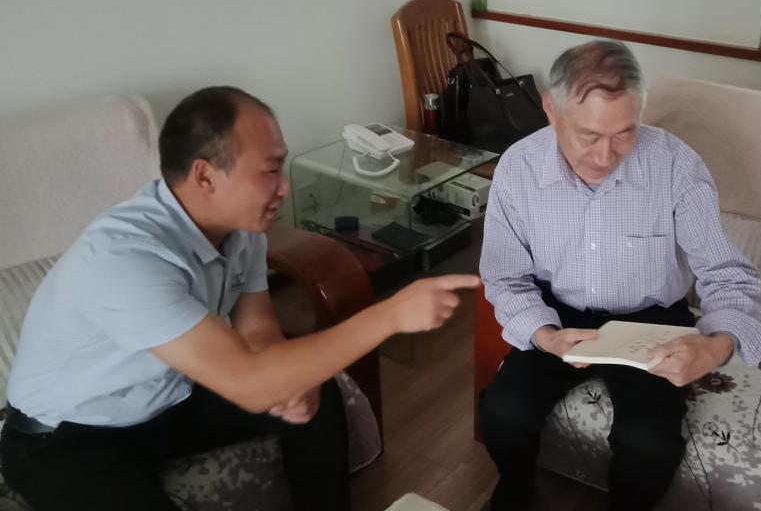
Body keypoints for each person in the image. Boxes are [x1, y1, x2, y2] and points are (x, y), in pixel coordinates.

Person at [0, 86, 479, 511]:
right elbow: (250, 383)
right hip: (66, 437)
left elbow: (258, 331)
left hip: (167, 397)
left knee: (320, 395)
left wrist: (292, 382)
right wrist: (390, 314)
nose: (284, 188)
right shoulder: (126, 258)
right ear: (205, 176)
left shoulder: (241, 229)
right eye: (269, 171)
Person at [478, 40, 761, 510]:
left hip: (653, 320)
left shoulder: (676, 166)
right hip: (559, 315)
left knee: (649, 446)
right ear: (551, 109)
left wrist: (716, 346)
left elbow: (728, 275)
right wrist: (545, 335)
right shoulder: (518, 168)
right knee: (502, 413)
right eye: (589, 135)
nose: (606, 155)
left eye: (624, 133)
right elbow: (505, 276)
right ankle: (516, 487)